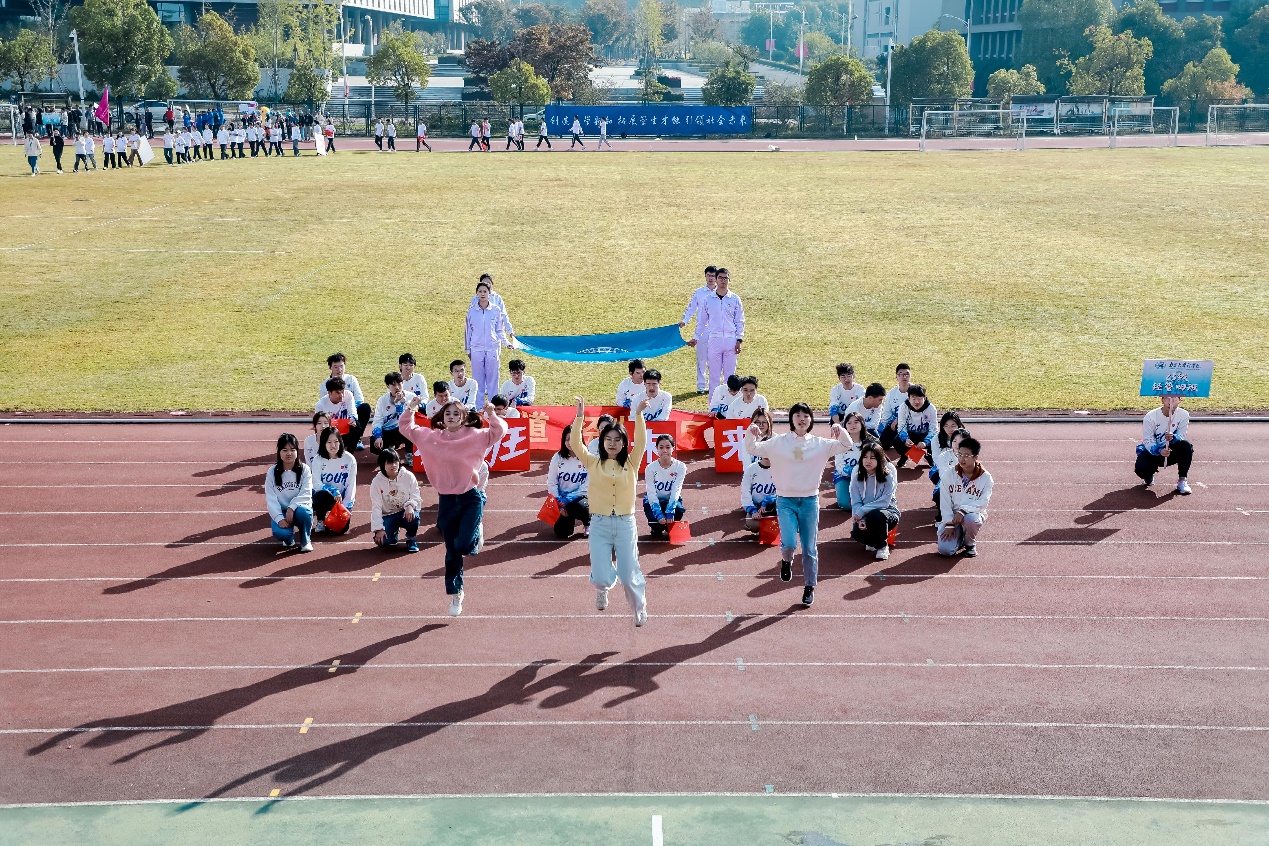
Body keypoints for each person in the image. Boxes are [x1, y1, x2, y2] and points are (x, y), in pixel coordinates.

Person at [400, 395, 508, 616]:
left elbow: (499, 431)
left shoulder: (475, 435)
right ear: (441, 417)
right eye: (447, 413)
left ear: (464, 417)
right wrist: (410, 408)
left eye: (456, 413)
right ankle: (456, 592)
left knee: (465, 546)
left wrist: (491, 414)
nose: (451, 417)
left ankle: (476, 533)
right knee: (452, 550)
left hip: (470, 497)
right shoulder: (431, 437)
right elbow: (406, 428)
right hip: (447, 500)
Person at [744, 402, 853, 606]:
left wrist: (841, 430)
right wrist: (751, 432)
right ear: (791, 419)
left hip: (810, 501)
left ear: (810, 420)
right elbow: (751, 448)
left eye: (806, 416)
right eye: (797, 415)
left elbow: (846, 445)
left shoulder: (820, 443)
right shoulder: (778, 443)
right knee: (789, 543)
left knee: (809, 548)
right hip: (785, 500)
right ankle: (787, 561)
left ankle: (809, 586)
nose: (802, 419)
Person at [569, 396, 651, 626]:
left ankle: (639, 609)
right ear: (602, 442)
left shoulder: (632, 463)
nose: (612, 443)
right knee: (602, 577)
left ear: (624, 443)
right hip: (599, 524)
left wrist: (638, 415)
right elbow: (576, 444)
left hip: (625, 524)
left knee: (628, 574)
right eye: (608, 439)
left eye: (617, 440)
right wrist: (579, 417)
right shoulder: (593, 462)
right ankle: (602, 589)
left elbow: (642, 441)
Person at [937, 436, 993, 557]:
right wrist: (949, 523)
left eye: (966, 456)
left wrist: (963, 511)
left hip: (971, 514)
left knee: (970, 519)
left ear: (975, 457)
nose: (962, 459)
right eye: (960, 454)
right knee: (945, 551)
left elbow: (983, 502)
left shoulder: (986, 477)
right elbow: (944, 502)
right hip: (953, 517)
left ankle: (969, 543)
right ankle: (959, 537)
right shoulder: (949, 474)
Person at [849, 442, 899, 561]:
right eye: (865, 457)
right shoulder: (856, 478)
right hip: (866, 515)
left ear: (879, 460)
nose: (868, 461)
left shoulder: (887, 477)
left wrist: (862, 511)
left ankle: (882, 546)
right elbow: (856, 502)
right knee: (856, 533)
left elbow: (884, 502)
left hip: (887, 513)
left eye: (872, 458)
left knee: (877, 514)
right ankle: (874, 540)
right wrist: (861, 520)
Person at [264, 433, 314, 552]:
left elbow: (306, 494)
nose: (289, 453)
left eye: (292, 449)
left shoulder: (305, 469)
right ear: (279, 452)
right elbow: (271, 498)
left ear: (297, 451)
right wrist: (279, 518)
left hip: (299, 508)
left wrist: (292, 507)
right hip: (282, 510)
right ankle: (288, 538)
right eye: (285, 450)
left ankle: (305, 540)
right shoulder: (272, 472)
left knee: (304, 513)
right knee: (280, 533)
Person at [698, 268, 745, 392]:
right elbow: (702, 321)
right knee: (714, 375)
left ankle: (729, 402)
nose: (723, 281)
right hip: (714, 339)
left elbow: (740, 321)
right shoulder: (708, 299)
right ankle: (714, 403)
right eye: (720, 278)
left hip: (730, 339)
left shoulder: (735, 299)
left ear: (729, 280)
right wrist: (696, 337)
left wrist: (739, 339)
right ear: (716, 279)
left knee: (730, 376)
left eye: (726, 278)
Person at [465, 281, 512, 407]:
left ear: (489, 293)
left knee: (493, 379)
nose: (482, 294)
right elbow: (468, 332)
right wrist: (468, 350)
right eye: (480, 291)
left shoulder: (495, 310)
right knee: (478, 380)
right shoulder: (471, 311)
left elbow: (499, 330)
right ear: (476, 293)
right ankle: (479, 407)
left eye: (485, 291)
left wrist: (506, 342)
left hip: (492, 348)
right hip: (476, 349)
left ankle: (494, 406)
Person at [1135, 395, 1193, 494]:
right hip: (1153, 451)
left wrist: (1173, 438)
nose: (1170, 402)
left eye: (1174, 399)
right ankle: (1148, 476)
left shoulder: (1184, 414)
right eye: (1167, 399)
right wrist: (1159, 450)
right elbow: (1148, 440)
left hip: (1170, 450)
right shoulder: (1150, 417)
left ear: (1180, 400)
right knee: (1141, 469)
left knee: (1186, 446)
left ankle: (1182, 481)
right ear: (1162, 400)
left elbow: (1181, 435)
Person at [369, 447, 422, 553]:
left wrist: (410, 505)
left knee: (414, 517)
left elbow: (416, 495)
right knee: (384, 542)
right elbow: (376, 506)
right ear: (382, 464)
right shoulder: (376, 482)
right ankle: (393, 533)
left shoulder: (408, 476)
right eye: (389, 462)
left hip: (405, 512)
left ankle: (411, 539)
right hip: (388, 515)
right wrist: (379, 529)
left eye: (395, 462)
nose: (393, 465)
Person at [311, 426, 357, 535]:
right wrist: (333, 490)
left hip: (342, 501)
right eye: (329, 442)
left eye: (336, 441)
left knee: (339, 530)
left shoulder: (349, 459)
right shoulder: (318, 459)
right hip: (326, 497)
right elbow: (316, 484)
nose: (333, 445)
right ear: (323, 443)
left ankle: (331, 520)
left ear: (340, 442)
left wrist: (346, 506)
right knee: (320, 495)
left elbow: (351, 485)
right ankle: (321, 520)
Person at [547, 424, 590, 539]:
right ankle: (567, 517)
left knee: (582, 507)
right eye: (567, 439)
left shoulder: (587, 456)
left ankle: (588, 523)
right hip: (561, 499)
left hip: (579, 497)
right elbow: (552, 482)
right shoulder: (557, 457)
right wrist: (559, 503)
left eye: (574, 439)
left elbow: (588, 485)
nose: (570, 442)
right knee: (562, 533)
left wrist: (569, 498)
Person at [680, 266, 718, 393]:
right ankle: (701, 386)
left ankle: (714, 386)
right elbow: (691, 308)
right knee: (701, 358)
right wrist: (685, 321)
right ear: (705, 276)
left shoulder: (722, 292)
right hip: (702, 330)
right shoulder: (699, 292)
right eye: (709, 275)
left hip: (717, 330)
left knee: (715, 359)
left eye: (713, 276)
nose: (711, 278)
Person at [643, 434, 686, 537]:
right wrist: (658, 513)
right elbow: (651, 492)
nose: (665, 451)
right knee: (655, 523)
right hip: (654, 500)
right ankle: (656, 528)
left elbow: (676, 489)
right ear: (657, 449)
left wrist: (670, 511)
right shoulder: (650, 468)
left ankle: (669, 527)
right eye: (661, 447)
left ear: (673, 448)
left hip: (671, 500)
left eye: (668, 447)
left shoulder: (681, 467)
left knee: (678, 510)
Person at [316, 377, 370, 453]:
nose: (341, 395)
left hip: (345, 429)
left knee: (356, 425)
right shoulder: (320, 405)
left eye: (342, 392)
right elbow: (319, 426)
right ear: (329, 393)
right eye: (337, 393)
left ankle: (350, 453)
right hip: (331, 432)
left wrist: (353, 419)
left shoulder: (348, 395)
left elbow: (352, 411)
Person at [895, 384, 938, 467]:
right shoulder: (903, 407)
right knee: (897, 440)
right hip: (910, 436)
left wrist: (925, 442)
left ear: (925, 398)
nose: (916, 402)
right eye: (913, 398)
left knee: (938, 440)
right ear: (909, 398)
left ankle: (929, 456)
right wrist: (905, 439)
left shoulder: (931, 409)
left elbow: (934, 429)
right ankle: (905, 455)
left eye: (919, 398)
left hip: (925, 435)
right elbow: (901, 427)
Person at [832, 412, 869, 509]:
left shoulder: (869, 443)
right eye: (849, 423)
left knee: (869, 502)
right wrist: (854, 471)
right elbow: (839, 466)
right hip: (843, 476)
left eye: (856, 422)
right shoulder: (840, 443)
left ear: (862, 424)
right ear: (845, 426)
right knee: (847, 505)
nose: (852, 425)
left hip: (865, 477)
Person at [372, 372, 413, 457]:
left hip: (405, 429)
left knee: (410, 428)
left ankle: (409, 454)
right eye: (393, 385)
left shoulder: (411, 397)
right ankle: (390, 447)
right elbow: (377, 420)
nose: (397, 387)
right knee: (374, 441)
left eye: (399, 384)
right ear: (388, 386)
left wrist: (398, 403)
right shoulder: (382, 400)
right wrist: (378, 436)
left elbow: (404, 418)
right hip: (389, 431)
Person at [741, 446, 778, 533]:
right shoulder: (751, 469)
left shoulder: (780, 469)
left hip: (776, 505)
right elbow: (745, 492)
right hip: (756, 506)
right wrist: (753, 510)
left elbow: (785, 491)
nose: (766, 455)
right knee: (753, 525)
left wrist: (769, 499)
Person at [880, 363, 914, 452]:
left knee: (899, 442)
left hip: (913, 424)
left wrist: (899, 419)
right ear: (896, 377)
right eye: (901, 374)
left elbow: (920, 411)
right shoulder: (891, 393)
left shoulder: (916, 391)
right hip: (895, 425)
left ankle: (911, 455)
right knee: (883, 442)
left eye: (907, 374)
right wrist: (881, 429)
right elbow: (886, 413)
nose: (904, 377)